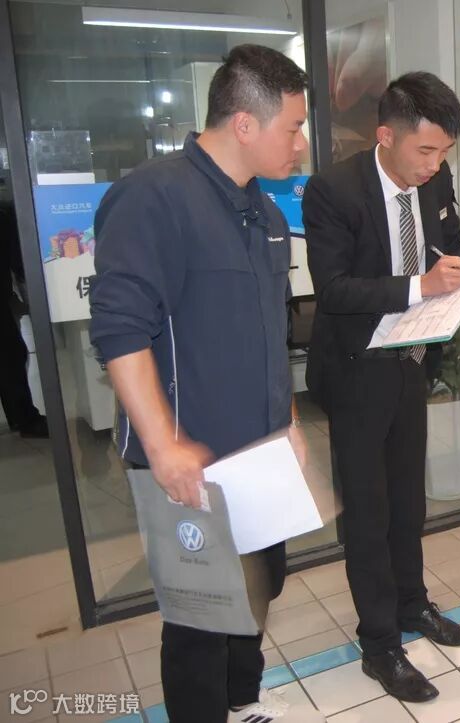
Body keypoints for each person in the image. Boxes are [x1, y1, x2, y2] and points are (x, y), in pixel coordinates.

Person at [89, 45, 322, 723]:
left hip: (258, 455)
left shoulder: (266, 216)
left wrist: (289, 422)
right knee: (199, 617)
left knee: (258, 587)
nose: (301, 145)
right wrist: (163, 445)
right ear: (244, 124)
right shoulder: (153, 198)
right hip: (189, 462)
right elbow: (120, 331)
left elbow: (269, 336)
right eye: (293, 128)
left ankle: (243, 699)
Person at [303, 71, 460, 703]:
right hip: (356, 371)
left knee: (408, 503)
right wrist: (419, 287)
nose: (434, 166)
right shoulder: (333, 191)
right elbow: (333, 289)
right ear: (386, 136)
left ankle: (413, 606)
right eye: (425, 151)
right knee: (368, 513)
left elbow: (448, 245)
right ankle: (379, 643)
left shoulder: (434, 181)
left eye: (444, 153)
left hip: (411, 361)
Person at [0, 200, 48, 439]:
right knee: (10, 356)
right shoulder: (4, 214)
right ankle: (25, 418)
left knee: (11, 355)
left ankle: (22, 417)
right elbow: (19, 264)